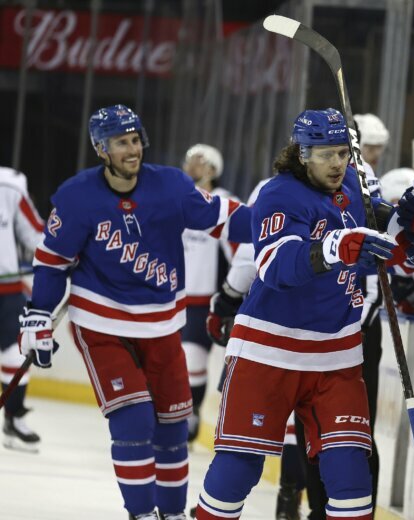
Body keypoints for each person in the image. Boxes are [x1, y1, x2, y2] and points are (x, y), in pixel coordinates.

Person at [22, 105, 252, 519]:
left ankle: (172, 512)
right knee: (134, 422)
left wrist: (292, 219)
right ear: (100, 148)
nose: (131, 150)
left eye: (134, 140)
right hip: (101, 324)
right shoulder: (77, 196)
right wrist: (39, 314)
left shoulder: (170, 186)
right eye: (119, 143)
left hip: (163, 324)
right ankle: (142, 514)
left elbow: (229, 221)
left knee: (172, 429)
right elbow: (53, 261)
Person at [195, 108, 397, 520]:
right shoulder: (279, 194)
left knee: (351, 474)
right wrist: (336, 247)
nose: (338, 162)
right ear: (302, 153)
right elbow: (276, 264)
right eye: (326, 154)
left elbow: (391, 245)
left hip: (336, 357)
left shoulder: (355, 190)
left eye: (343, 152)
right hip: (267, 353)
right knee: (239, 468)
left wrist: (410, 222)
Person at [180, 143, 237, 442]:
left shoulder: (223, 203)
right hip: (174, 299)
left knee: (193, 363)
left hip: (205, 302)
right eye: (190, 159)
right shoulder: (179, 201)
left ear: (213, 168)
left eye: (198, 160)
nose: (191, 164)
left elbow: (239, 251)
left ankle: (191, 415)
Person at [0, 165, 44, 452]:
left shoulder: (9, 185)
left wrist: (63, 254)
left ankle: (13, 418)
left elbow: (36, 234)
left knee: (16, 354)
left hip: (6, 288)